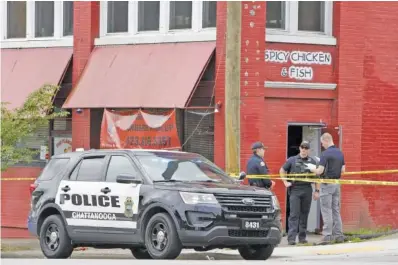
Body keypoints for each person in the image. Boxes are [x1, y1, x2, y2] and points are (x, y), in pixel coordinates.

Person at [306, 133, 345, 244]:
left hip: (326, 184)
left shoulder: (325, 154)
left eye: (322, 143)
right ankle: (339, 235)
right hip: (337, 184)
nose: (322, 145)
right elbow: (343, 170)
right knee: (335, 210)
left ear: (326, 140)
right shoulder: (340, 153)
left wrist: (312, 168)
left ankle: (327, 235)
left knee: (326, 210)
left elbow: (320, 171)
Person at [280, 141, 318, 245]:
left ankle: (302, 237)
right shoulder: (292, 160)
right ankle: (291, 238)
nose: (304, 150)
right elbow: (282, 170)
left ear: (309, 150)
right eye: (302, 147)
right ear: (299, 148)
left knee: (304, 214)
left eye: (306, 148)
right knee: (294, 214)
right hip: (295, 189)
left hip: (307, 188)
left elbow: (317, 177)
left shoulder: (313, 161)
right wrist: (285, 181)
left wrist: (317, 191)